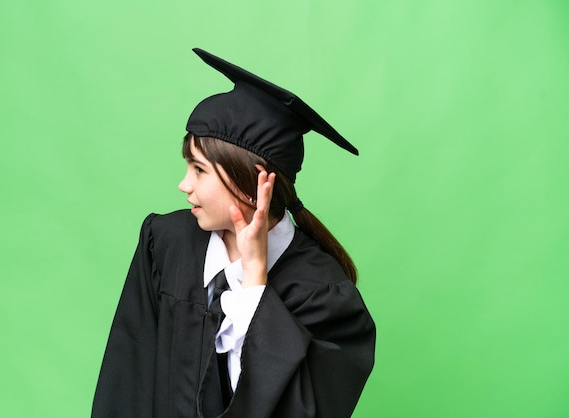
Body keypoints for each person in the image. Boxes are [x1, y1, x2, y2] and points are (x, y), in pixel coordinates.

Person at [92, 48, 376, 418]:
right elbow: (126, 379)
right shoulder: (165, 243)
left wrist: (255, 286)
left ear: (252, 183)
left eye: (199, 170)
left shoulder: (323, 294)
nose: (183, 184)